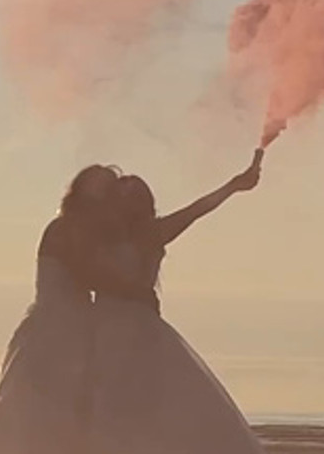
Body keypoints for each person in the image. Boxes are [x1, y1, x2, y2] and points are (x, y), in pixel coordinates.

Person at [0, 166, 156, 454]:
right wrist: (136, 292)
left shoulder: (88, 231)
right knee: (35, 407)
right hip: (53, 328)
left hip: (75, 330)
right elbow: (88, 273)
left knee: (69, 408)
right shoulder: (66, 227)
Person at [88, 150, 267, 454]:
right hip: (104, 327)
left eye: (132, 194)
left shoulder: (154, 232)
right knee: (106, 401)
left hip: (138, 329)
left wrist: (235, 185)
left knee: (144, 399)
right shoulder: (100, 237)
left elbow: (197, 209)